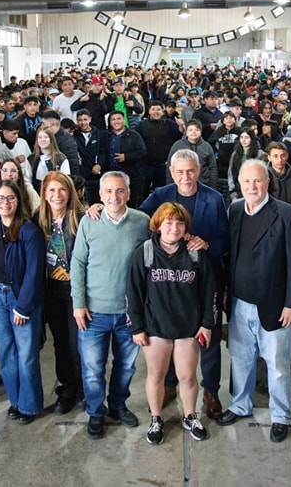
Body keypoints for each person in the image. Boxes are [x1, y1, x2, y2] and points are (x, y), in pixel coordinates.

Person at [218, 159, 291, 444]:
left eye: (258, 181)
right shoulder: (234, 211)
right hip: (240, 303)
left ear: (268, 182)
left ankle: (280, 415)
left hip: (275, 305)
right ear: (239, 184)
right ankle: (241, 405)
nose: (252, 187)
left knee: (278, 364)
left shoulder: (286, 214)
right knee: (241, 359)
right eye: (246, 182)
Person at [138, 149, 229, 419]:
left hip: (206, 280)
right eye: (180, 172)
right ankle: (168, 385)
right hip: (169, 283)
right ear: (171, 172)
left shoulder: (213, 199)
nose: (186, 177)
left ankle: (211, 389)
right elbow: (140, 223)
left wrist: (208, 243)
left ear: (199, 170)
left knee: (207, 336)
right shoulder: (160, 196)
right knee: (169, 334)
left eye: (190, 171)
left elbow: (226, 239)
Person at [127, 202, 216, 445]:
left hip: (188, 328)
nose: (173, 227)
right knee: (156, 375)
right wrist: (136, 327)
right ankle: (156, 419)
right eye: (168, 222)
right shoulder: (144, 253)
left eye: (179, 223)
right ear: (158, 225)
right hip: (156, 328)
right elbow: (132, 292)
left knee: (187, 376)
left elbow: (210, 292)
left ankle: (190, 416)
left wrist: (207, 323)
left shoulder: (196, 253)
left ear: (186, 227)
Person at [70, 171, 151, 440]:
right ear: (100, 195)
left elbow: (153, 261)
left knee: (126, 366)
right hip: (94, 312)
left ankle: (117, 405)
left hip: (130, 313)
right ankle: (96, 411)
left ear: (128, 193)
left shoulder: (142, 222)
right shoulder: (88, 222)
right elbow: (78, 263)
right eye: (108, 192)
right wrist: (78, 304)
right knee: (93, 368)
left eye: (119, 191)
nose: (114, 197)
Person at [0, 179, 46, 423]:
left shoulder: (29, 231)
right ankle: (16, 401)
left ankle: (30, 406)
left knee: (26, 354)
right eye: (0, 198)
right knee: (5, 353)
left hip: (21, 298)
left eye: (10, 198)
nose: (5, 202)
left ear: (18, 200)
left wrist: (24, 306)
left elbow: (34, 272)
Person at [35, 172, 85, 415]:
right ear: (44, 194)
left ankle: (83, 388)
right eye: (52, 190)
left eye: (62, 190)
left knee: (78, 343)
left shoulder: (82, 218)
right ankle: (67, 387)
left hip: (76, 291)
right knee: (60, 343)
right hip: (52, 289)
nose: (57, 195)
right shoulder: (38, 220)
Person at [227, 127, 267, 200]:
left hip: (255, 190)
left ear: (252, 139)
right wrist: (232, 192)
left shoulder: (260, 154)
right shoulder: (235, 154)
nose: (243, 140)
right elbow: (230, 173)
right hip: (237, 190)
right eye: (241, 137)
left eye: (246, 137)